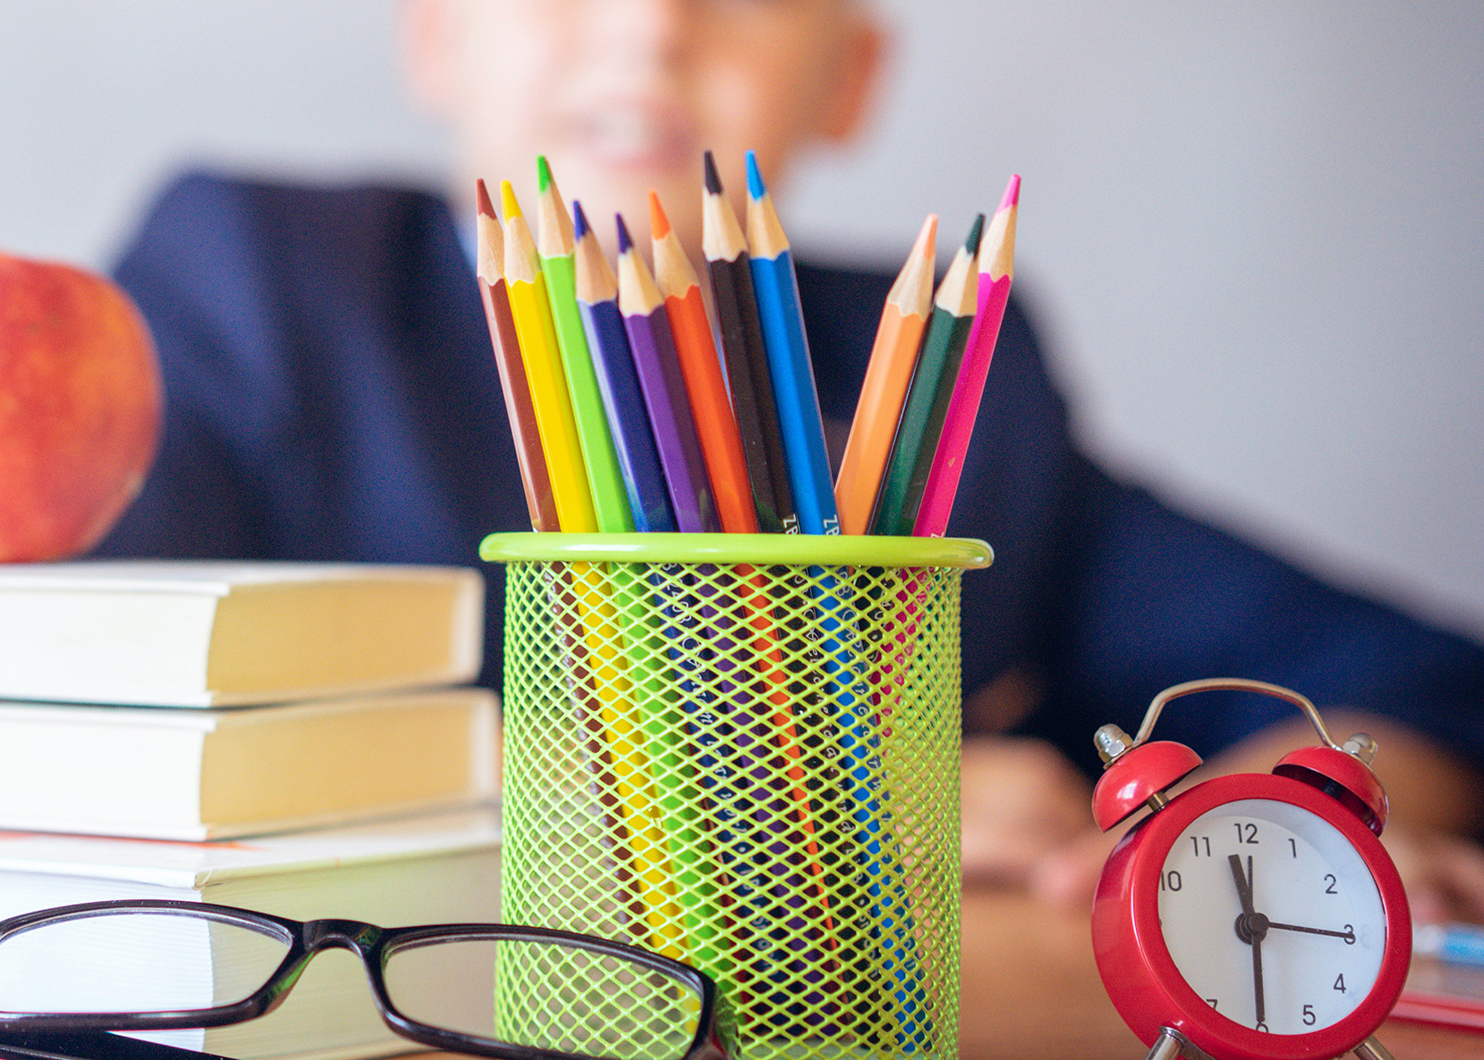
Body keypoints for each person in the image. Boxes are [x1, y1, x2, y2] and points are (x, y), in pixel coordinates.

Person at [87, 0, 1484, 923]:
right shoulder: (251, 280)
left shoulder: (943, 373)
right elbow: (96, 723)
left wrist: (1264, 841)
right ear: (437, 32)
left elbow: (1409, 680)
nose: (649, 28)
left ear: (852, 78)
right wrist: (835, 809)